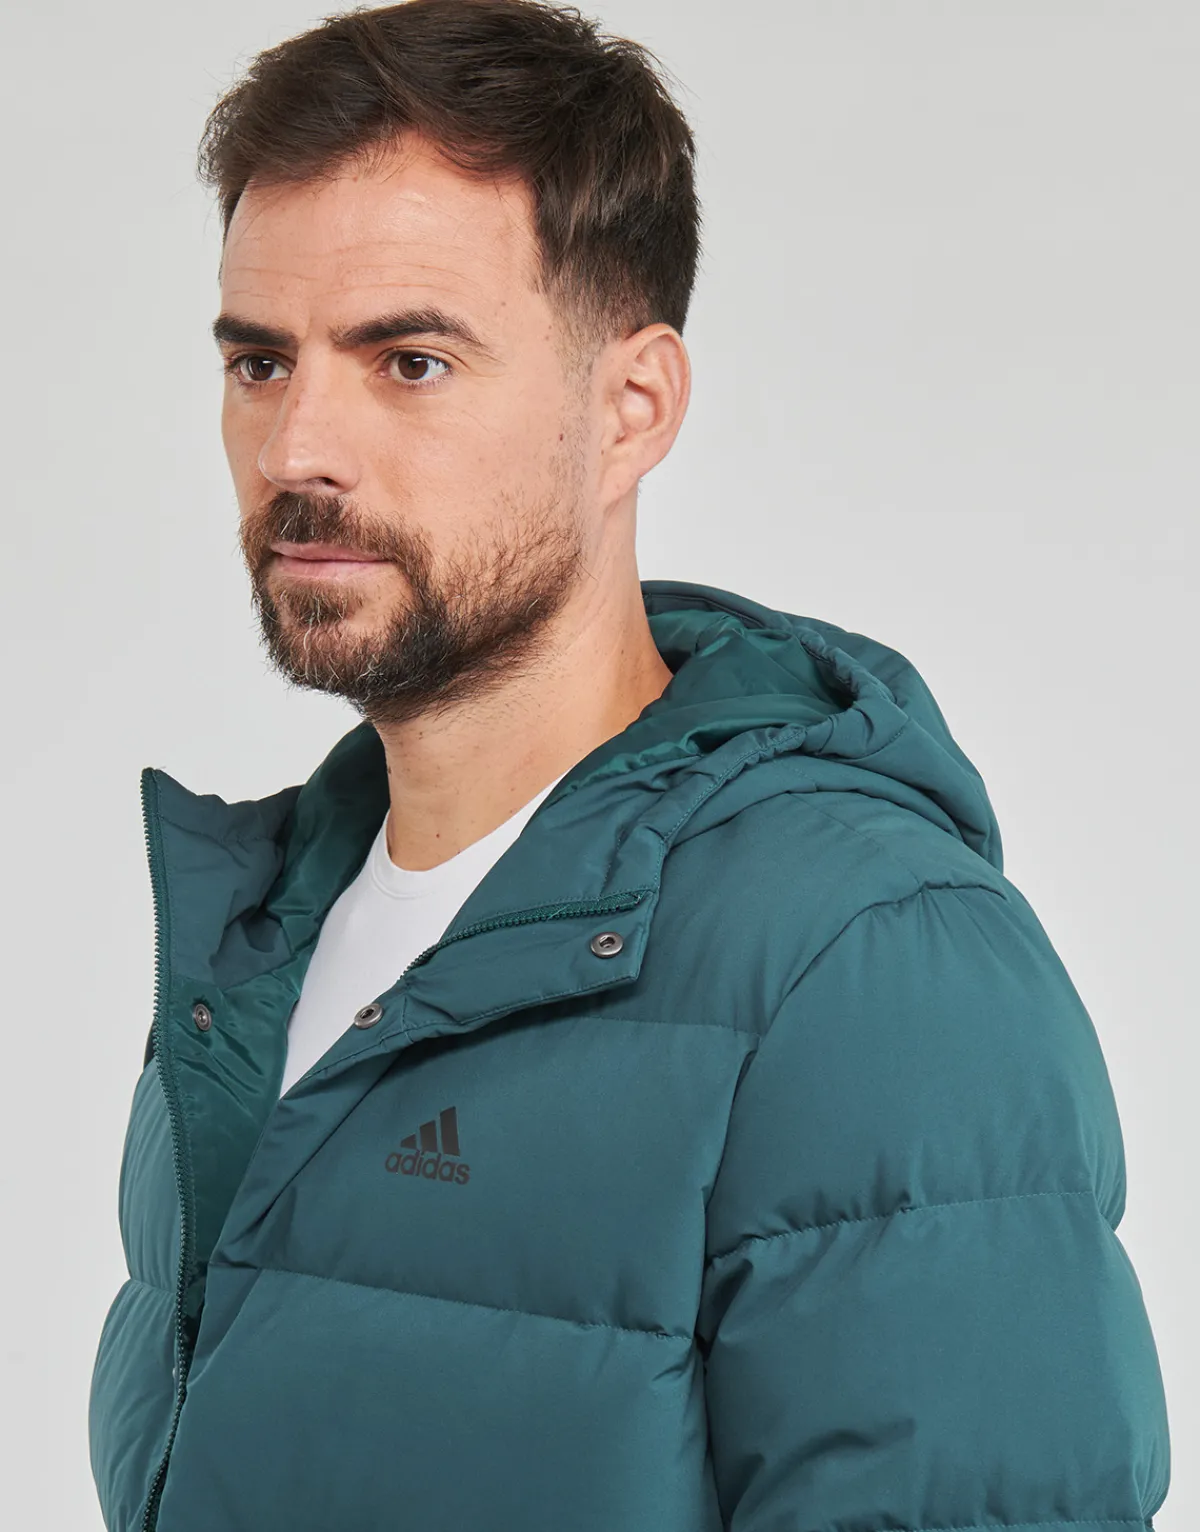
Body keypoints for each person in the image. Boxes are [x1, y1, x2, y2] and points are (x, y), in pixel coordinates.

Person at [88, 2, 1171, 1529]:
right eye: (261, 363)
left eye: (410, 361)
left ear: (632, 408)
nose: (296, 450)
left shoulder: (862, 966)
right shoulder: (255, 949)